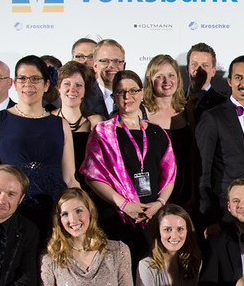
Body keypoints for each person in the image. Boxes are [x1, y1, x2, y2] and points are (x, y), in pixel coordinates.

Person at [0, 55, 77, 234]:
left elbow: (69, 178)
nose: (28, 84)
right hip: (11, 210)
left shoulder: (60, 124)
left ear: (46, 84)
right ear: (15, 84)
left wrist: (82, 207)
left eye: (35, 79)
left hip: (54, 211)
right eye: (22, 78)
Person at [81, 69, 176, 253]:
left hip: (152, 214)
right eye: (120, 92)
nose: (127, 96)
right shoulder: (102, 133)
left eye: (133, 90)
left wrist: (159, 204)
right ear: (114, 97)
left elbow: (170, 175)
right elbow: (92, 177)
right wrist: (125, 205)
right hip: (116, 216)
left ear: (142, 92)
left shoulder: (158, 132)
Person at [195, 55, 244, 230]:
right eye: (238, 77)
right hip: (223, 207)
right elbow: (202, 170)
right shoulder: (212, 117)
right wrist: (209, 215)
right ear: (229, 81)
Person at [143, 53, 199, 211]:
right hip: (152, 191)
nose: (166, 81)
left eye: (171, 75)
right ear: (150, 80)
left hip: (183, 189)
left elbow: (193, 159)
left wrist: (193, 194)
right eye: (160, 76)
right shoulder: (141, 113)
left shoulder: (187, 113)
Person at [51, 60, 104, 170]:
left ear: (85, 90)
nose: (72, 89)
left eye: (78, 85)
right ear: (59, 88)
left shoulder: (96, 122)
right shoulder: (48, 119)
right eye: (67, 83)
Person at [83, 39, 126, 119]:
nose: (111, 65)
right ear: (95, 66)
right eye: (105, 61)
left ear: (124, 66)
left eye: (117, 61)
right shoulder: (83, 98)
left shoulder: (134, 97)